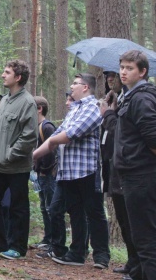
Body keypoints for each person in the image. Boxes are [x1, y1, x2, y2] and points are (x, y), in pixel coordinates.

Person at [34, 73, 109, 268]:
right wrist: (33, 156)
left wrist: (51, 141)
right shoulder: (73, 110)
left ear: (86, 87)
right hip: (67, 172)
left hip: (87, 170)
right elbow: (57, 136)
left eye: (75, 83)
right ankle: (76, 253)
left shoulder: (92, 108)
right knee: (73, 212)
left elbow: (71, 134)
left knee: (94, 212)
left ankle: (101, 256)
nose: (71, 86)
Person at [114, 50, 156, 280]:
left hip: (143, 175)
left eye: (130, 68)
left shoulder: (143, 98)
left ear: (143, 72)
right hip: (134, 175)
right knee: (141, 238)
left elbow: (155, 139)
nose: (123, 72)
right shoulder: (131, 96)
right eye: (122, 67)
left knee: (147, 241)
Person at [0, 59, 37, 260]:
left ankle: (17, 247)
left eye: (7, 72)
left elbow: (29, 136)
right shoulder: (4, 100)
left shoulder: (28, 102)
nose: (3, 75)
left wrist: (11, 154)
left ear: (18, 77)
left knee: (18, 206)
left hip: (17, 166)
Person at [100, 72, 139, 276]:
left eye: (113, 76)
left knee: (132, 222)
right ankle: (132, 261)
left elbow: (119, 133)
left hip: (127, 169)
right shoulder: (119, 99)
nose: (110, 79)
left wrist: (107, 113)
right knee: (123, 222)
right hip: (113, 168)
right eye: (107, 76)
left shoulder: (133, 100)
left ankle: (139, 266)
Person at [31, 96, 62, 253]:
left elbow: (51, 150)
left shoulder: (47, 127)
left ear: (39, 109)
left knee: (51, 207)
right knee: (44, 207)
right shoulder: (37, 126)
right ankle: (47, 238)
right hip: (41, 175)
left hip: (48, 175)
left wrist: (44, 170)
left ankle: (54, 242)